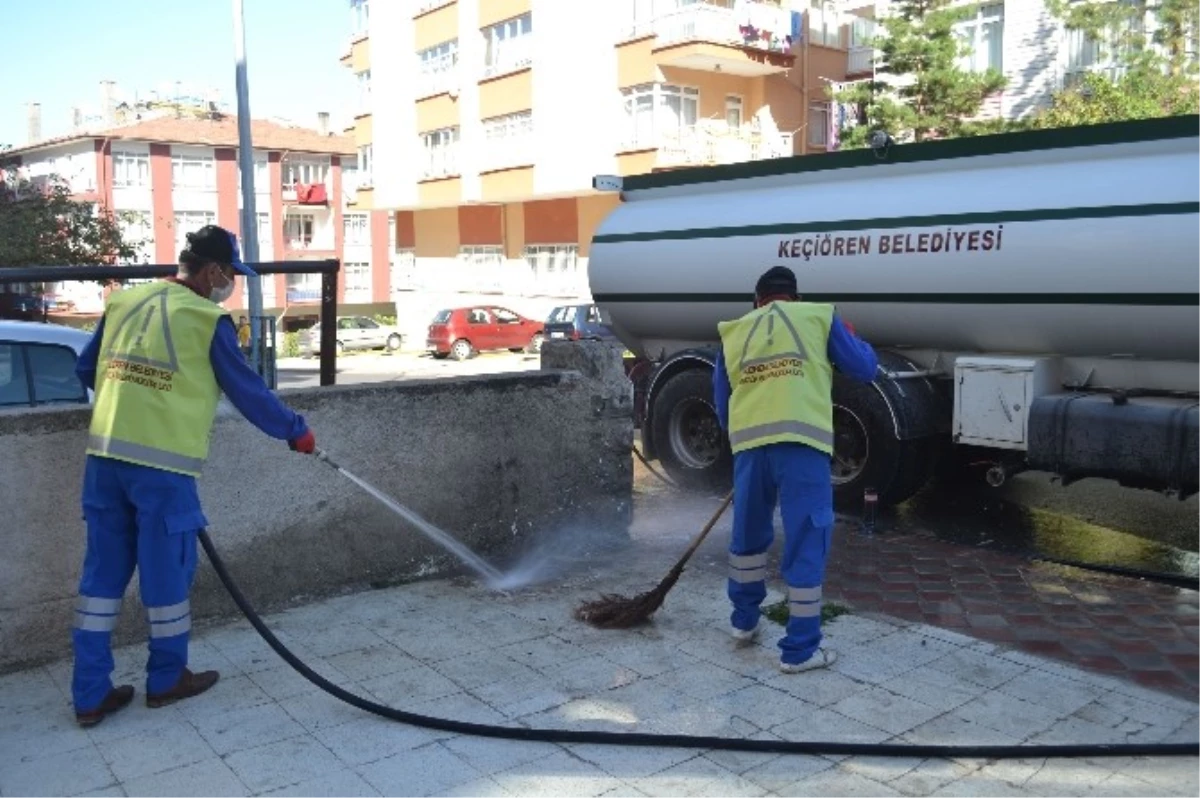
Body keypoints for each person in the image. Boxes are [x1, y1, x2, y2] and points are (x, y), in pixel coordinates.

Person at [70, 224, 317, 727]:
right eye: (231, 275)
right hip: (162, 468)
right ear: (211, 271)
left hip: (104, 461)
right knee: (165, 578)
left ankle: (90, 693)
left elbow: (85, 369)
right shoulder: (206, 319)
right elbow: (249, 392)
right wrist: (295, 431)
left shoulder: (125, 301)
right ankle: (166, 680)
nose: (232, 285)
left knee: (101, 579)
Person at [713, 265, 878, 674]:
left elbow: (721, 407)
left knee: (748, 537)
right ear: (796, 298)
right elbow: (864, 368)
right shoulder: (819, 317)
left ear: (757, 301)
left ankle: (743, 623)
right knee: (806, 537)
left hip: (751, 449)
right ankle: (800, 650)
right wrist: (851, 338)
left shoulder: (733, 332)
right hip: (802, 447)